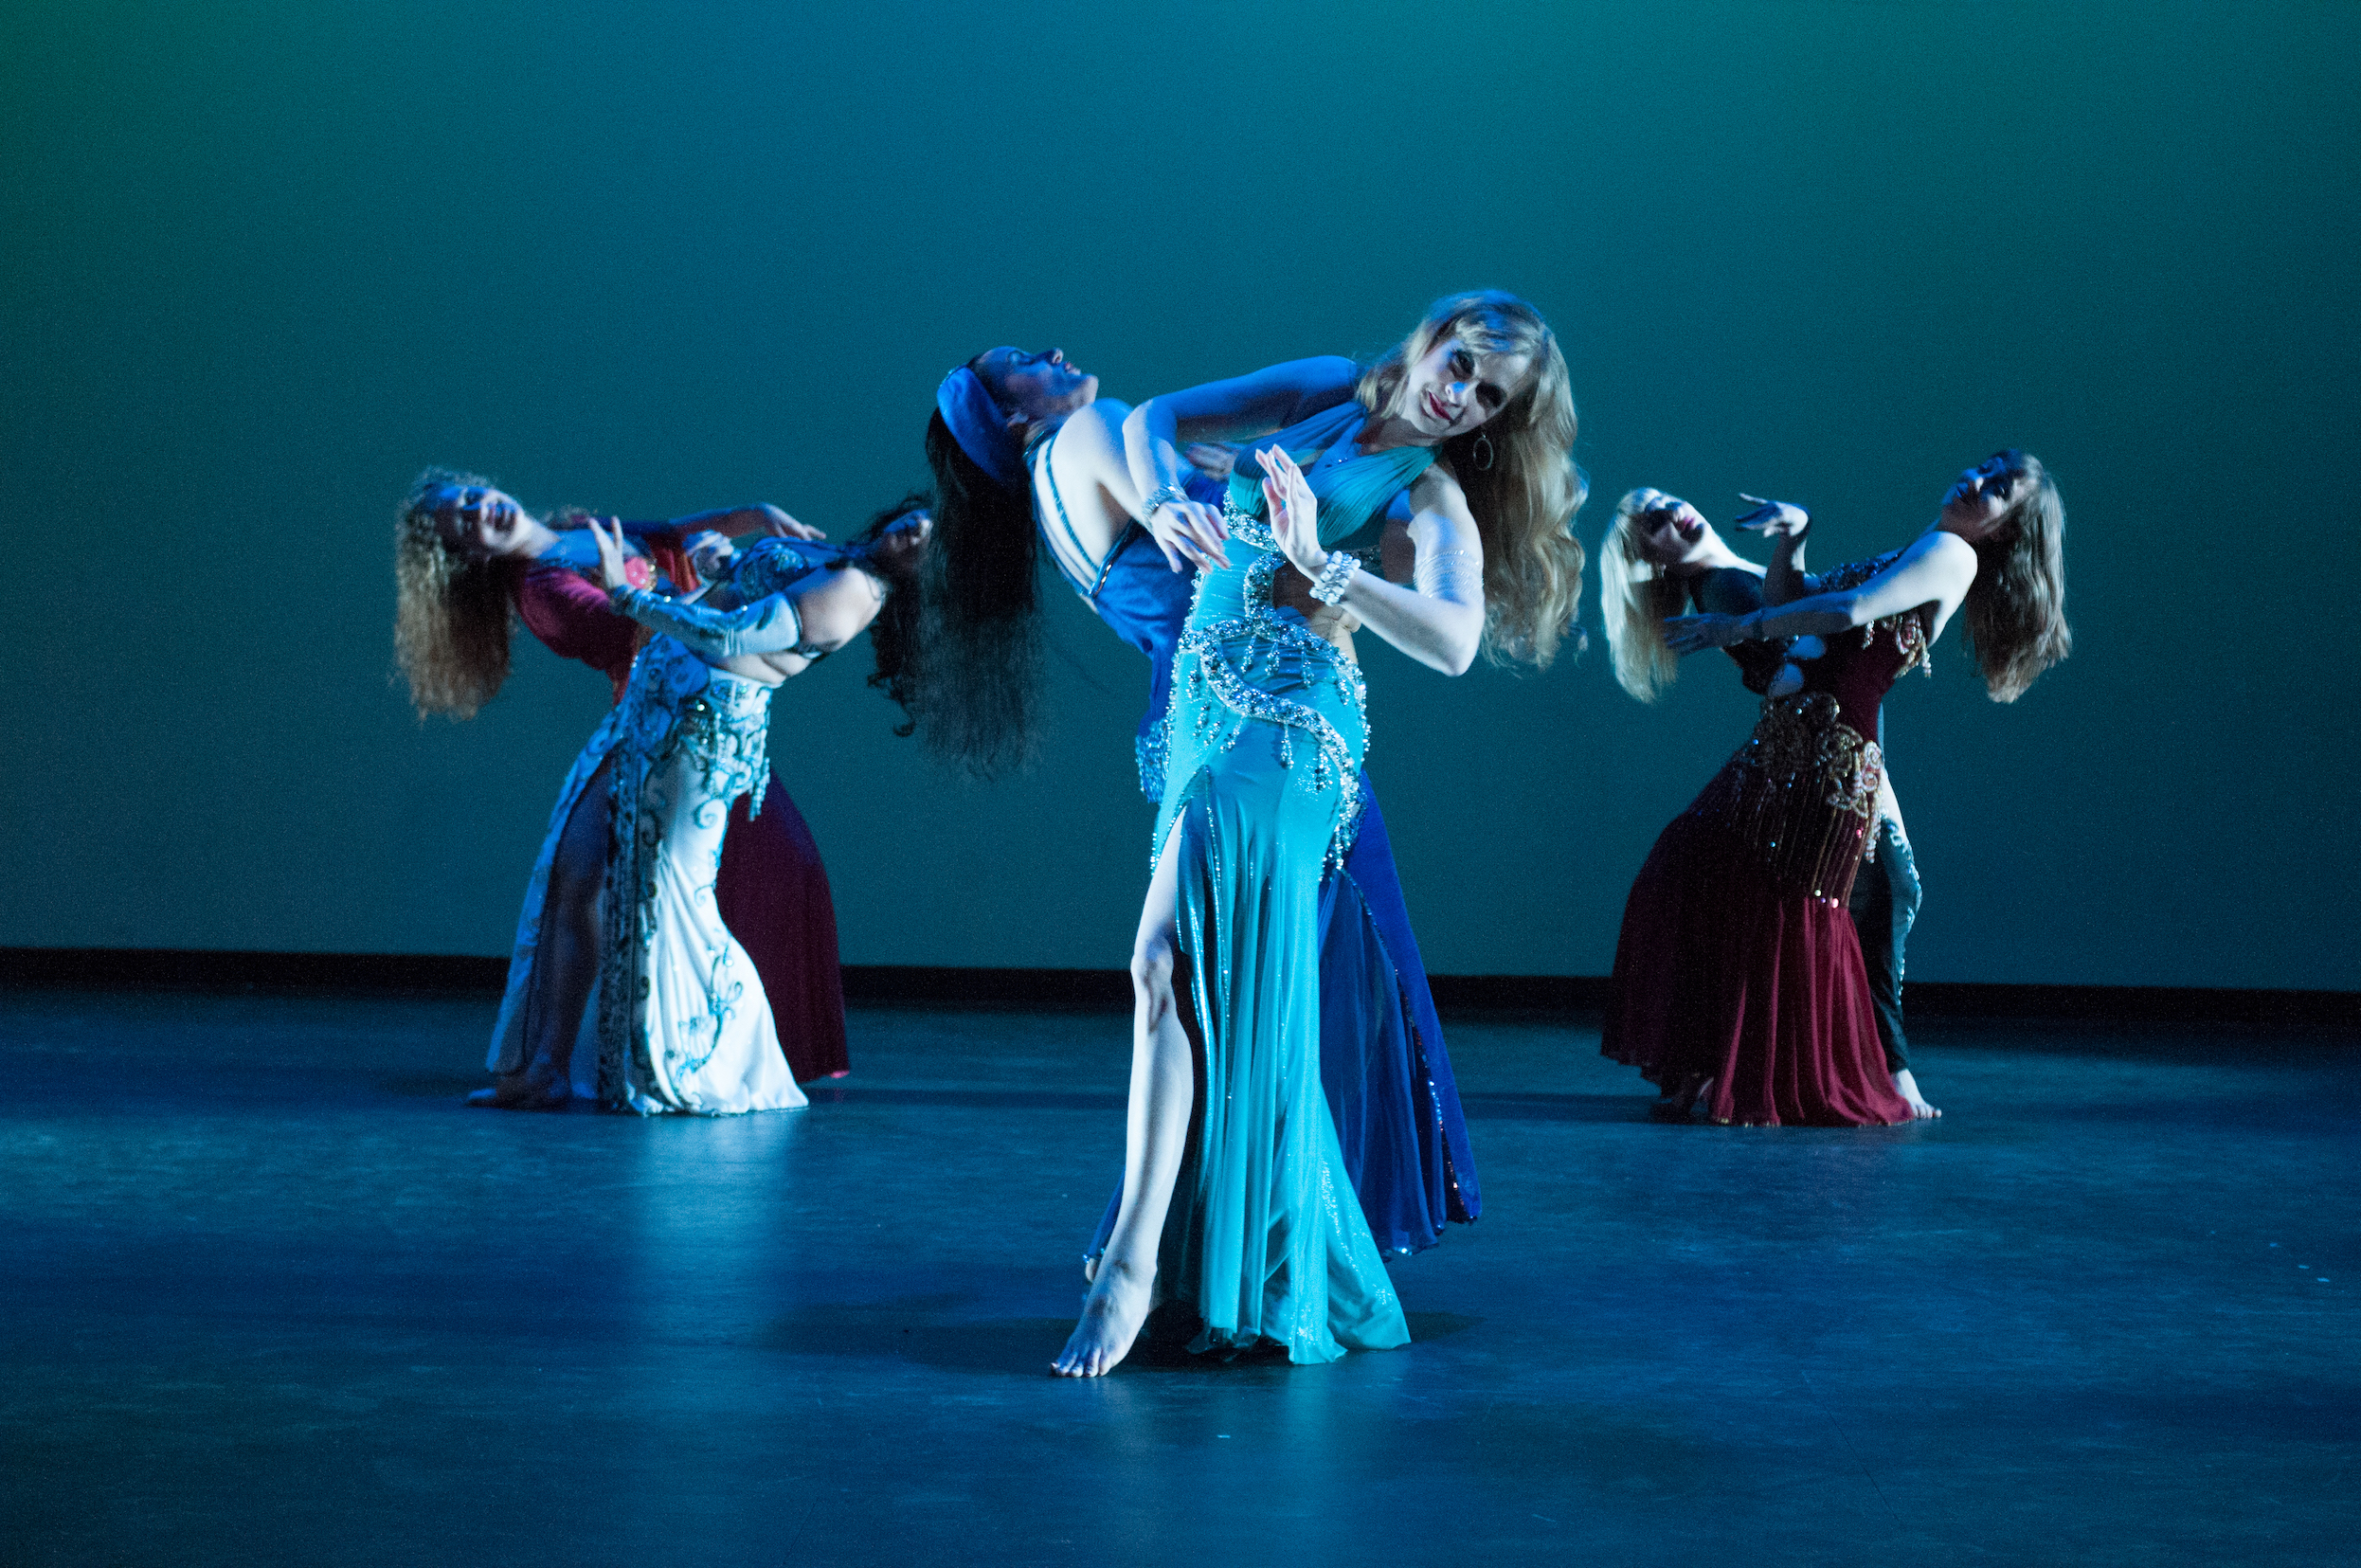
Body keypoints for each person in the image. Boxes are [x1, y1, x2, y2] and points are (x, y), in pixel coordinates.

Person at [1054, 292, 1585, 1375]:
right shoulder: (1322, 388)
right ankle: (1223, 1260)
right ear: (1429, 337)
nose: (1460, 395)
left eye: (1489, 395)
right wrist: (1159, 505)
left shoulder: (1430, 495)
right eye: (1460, 362)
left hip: (1291, 728)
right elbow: (1152, 417)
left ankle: (1131, 1261)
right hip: (1204, 708)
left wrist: (1330, 563)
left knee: (1159, 959)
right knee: (1201, 985)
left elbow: (1452, 641)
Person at [917, 347, 1487, 1259]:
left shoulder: (1050, 494)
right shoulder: (1095, 431)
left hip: (1193, 713)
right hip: (1256, 707)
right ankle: (1285, 1224)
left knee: (1231, 971)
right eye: (1020, 363)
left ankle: (1229, 1229)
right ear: (1012, 416)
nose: (1052, 354)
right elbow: (1212, 534)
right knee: (1314, 954)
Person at [1603, 452, 2070, 1126]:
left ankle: (1811, 1073)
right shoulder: (1916, 548)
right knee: (1711, 875)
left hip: (1829, 769)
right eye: (1984, 468)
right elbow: (1801, 602)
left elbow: (1847, 610)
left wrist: (1735, 629)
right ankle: (1718, 1065)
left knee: (1812, 914)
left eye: (1997, 490)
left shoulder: (1952, 555)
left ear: (2003, 531)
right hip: (1787, 755)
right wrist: (1795, 539)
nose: (1974, 481)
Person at [394, 473, 854, 1085]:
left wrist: (754, 513)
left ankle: (775, 1051)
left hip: (712, 710)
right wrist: (718, 584)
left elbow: (667, 534)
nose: (481, 511)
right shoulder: (542, 590)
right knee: (599, 877)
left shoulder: (576, 534)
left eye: (472, 497)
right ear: (470, 553)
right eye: (464, 522)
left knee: (782, 868)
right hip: (663, 728)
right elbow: (640, 633)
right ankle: (570, 1060)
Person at [480, 502, 928, 1113]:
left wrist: (628, 597)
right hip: (650, 710)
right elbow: (734, 589)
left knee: (667, 899)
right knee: (574, 871)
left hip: (699, 737)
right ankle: (546, 1068)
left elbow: (733, 636)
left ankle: (716, 1057)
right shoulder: (840, 557)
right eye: (917, 519)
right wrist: (719, 558)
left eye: (929, 540)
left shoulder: (855, 589)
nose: (915, 532)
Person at [1598, 489, 1937, 1118]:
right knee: (1870, 904)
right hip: (1819, 765)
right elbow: (1807, 670)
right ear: (1652, 560)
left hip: (1826, 756)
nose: (1674, 515)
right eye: (1653, 524)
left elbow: (1816, 664)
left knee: (1866, 903)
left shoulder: (1734, 583)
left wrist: (1795, 536)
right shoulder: (1726, 588)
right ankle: (1888, 1072)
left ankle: (1738, 1064)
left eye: (1667, 503)